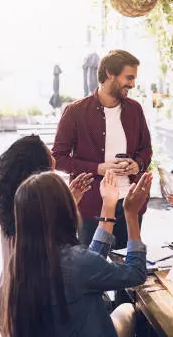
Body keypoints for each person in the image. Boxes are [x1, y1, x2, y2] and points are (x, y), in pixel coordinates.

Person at [0, 170, 152, 337]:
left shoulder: (18, 263)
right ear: (64, 209)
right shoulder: (77, 263)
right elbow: (135, 273)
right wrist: (131, 214)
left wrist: (108, 207)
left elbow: (88, 266)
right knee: (129, 309)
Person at [52, 49, 152, 249]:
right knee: (93, 270)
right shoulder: (75, 112)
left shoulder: (135, 109)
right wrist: (98, 168)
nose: (132, 84)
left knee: (129, 266)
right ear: (109, 73)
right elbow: (58, 159)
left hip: (130, 205)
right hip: (92, 207)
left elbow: (146, 149)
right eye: (129, 77)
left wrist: (137, 164)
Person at [0, 136, 93, 324]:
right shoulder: (31, 204)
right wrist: (65, 203)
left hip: (9, 290)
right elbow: (58, 243)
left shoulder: (10, 200)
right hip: (31, 295)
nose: (52, 155)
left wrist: (68, 200)